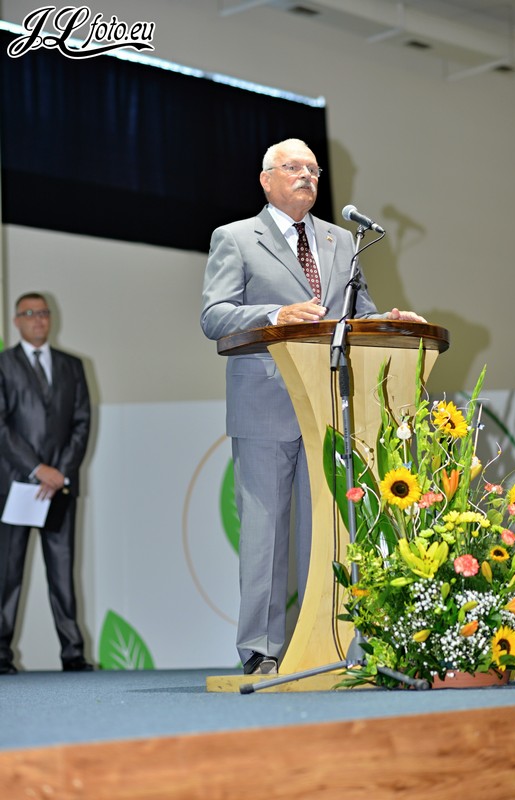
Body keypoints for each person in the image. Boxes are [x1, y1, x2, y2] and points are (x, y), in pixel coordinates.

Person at [201, 138, 426, 675]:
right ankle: (261, 651)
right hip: (266, 403)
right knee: (265, 535)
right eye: (293, 167)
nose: (307, 175)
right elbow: (214, 316)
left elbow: (357, 313)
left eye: (313, 169)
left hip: (332, 406)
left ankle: (337, 643)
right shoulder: (236, 237)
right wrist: (276, 314)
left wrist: (388, 321)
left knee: (333, 529)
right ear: (266, 180)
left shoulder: (341, 240)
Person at [0, 292, 92, 674]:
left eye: (43, 313)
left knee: (62, 573)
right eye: (30, 313)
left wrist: (60, 472)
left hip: (60, 488)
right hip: (17, 487)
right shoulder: (3, 365)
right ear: (16, 321)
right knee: (7, 574)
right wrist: (38, 469)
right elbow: (1, 427)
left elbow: (82, 423)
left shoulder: (73, 365)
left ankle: (73, 654)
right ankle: (0, 654)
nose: (38, 319)